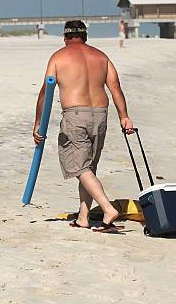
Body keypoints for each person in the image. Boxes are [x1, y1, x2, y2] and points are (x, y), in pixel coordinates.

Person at [33, 20, 135, 233]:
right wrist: (124, 116)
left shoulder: (59, 57)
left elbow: (45, 92)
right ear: (85, 36)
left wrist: (37, 124)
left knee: (79, 167)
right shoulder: (101, 56)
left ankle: (107, 208)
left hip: (75, 115)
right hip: (101, 115)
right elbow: (115, 87)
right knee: (88, 168)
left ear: (65, 38)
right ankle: (83, 217)